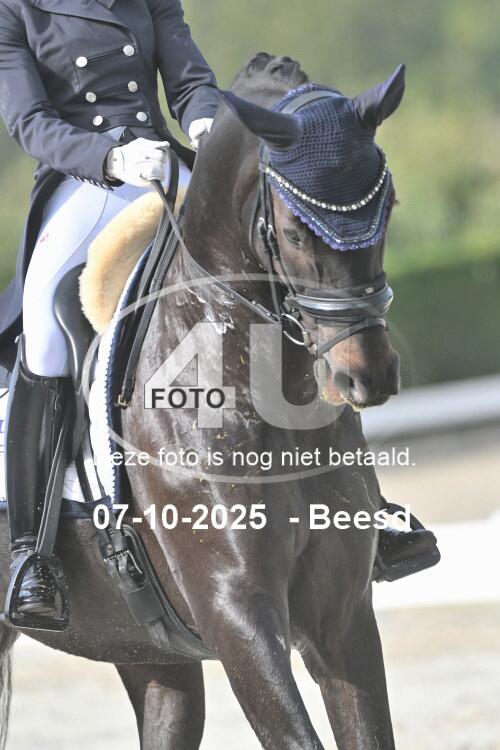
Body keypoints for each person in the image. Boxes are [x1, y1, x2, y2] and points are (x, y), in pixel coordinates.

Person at [0, 0, 220, 624]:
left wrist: (207, 125)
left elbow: (190, 81)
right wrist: (109, 159)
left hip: (166, 167)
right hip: (85, 180)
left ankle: (363, 503)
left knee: (271, 263)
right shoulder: (16, 10)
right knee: (44, 329)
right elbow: (29, 122)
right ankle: (31, 554)